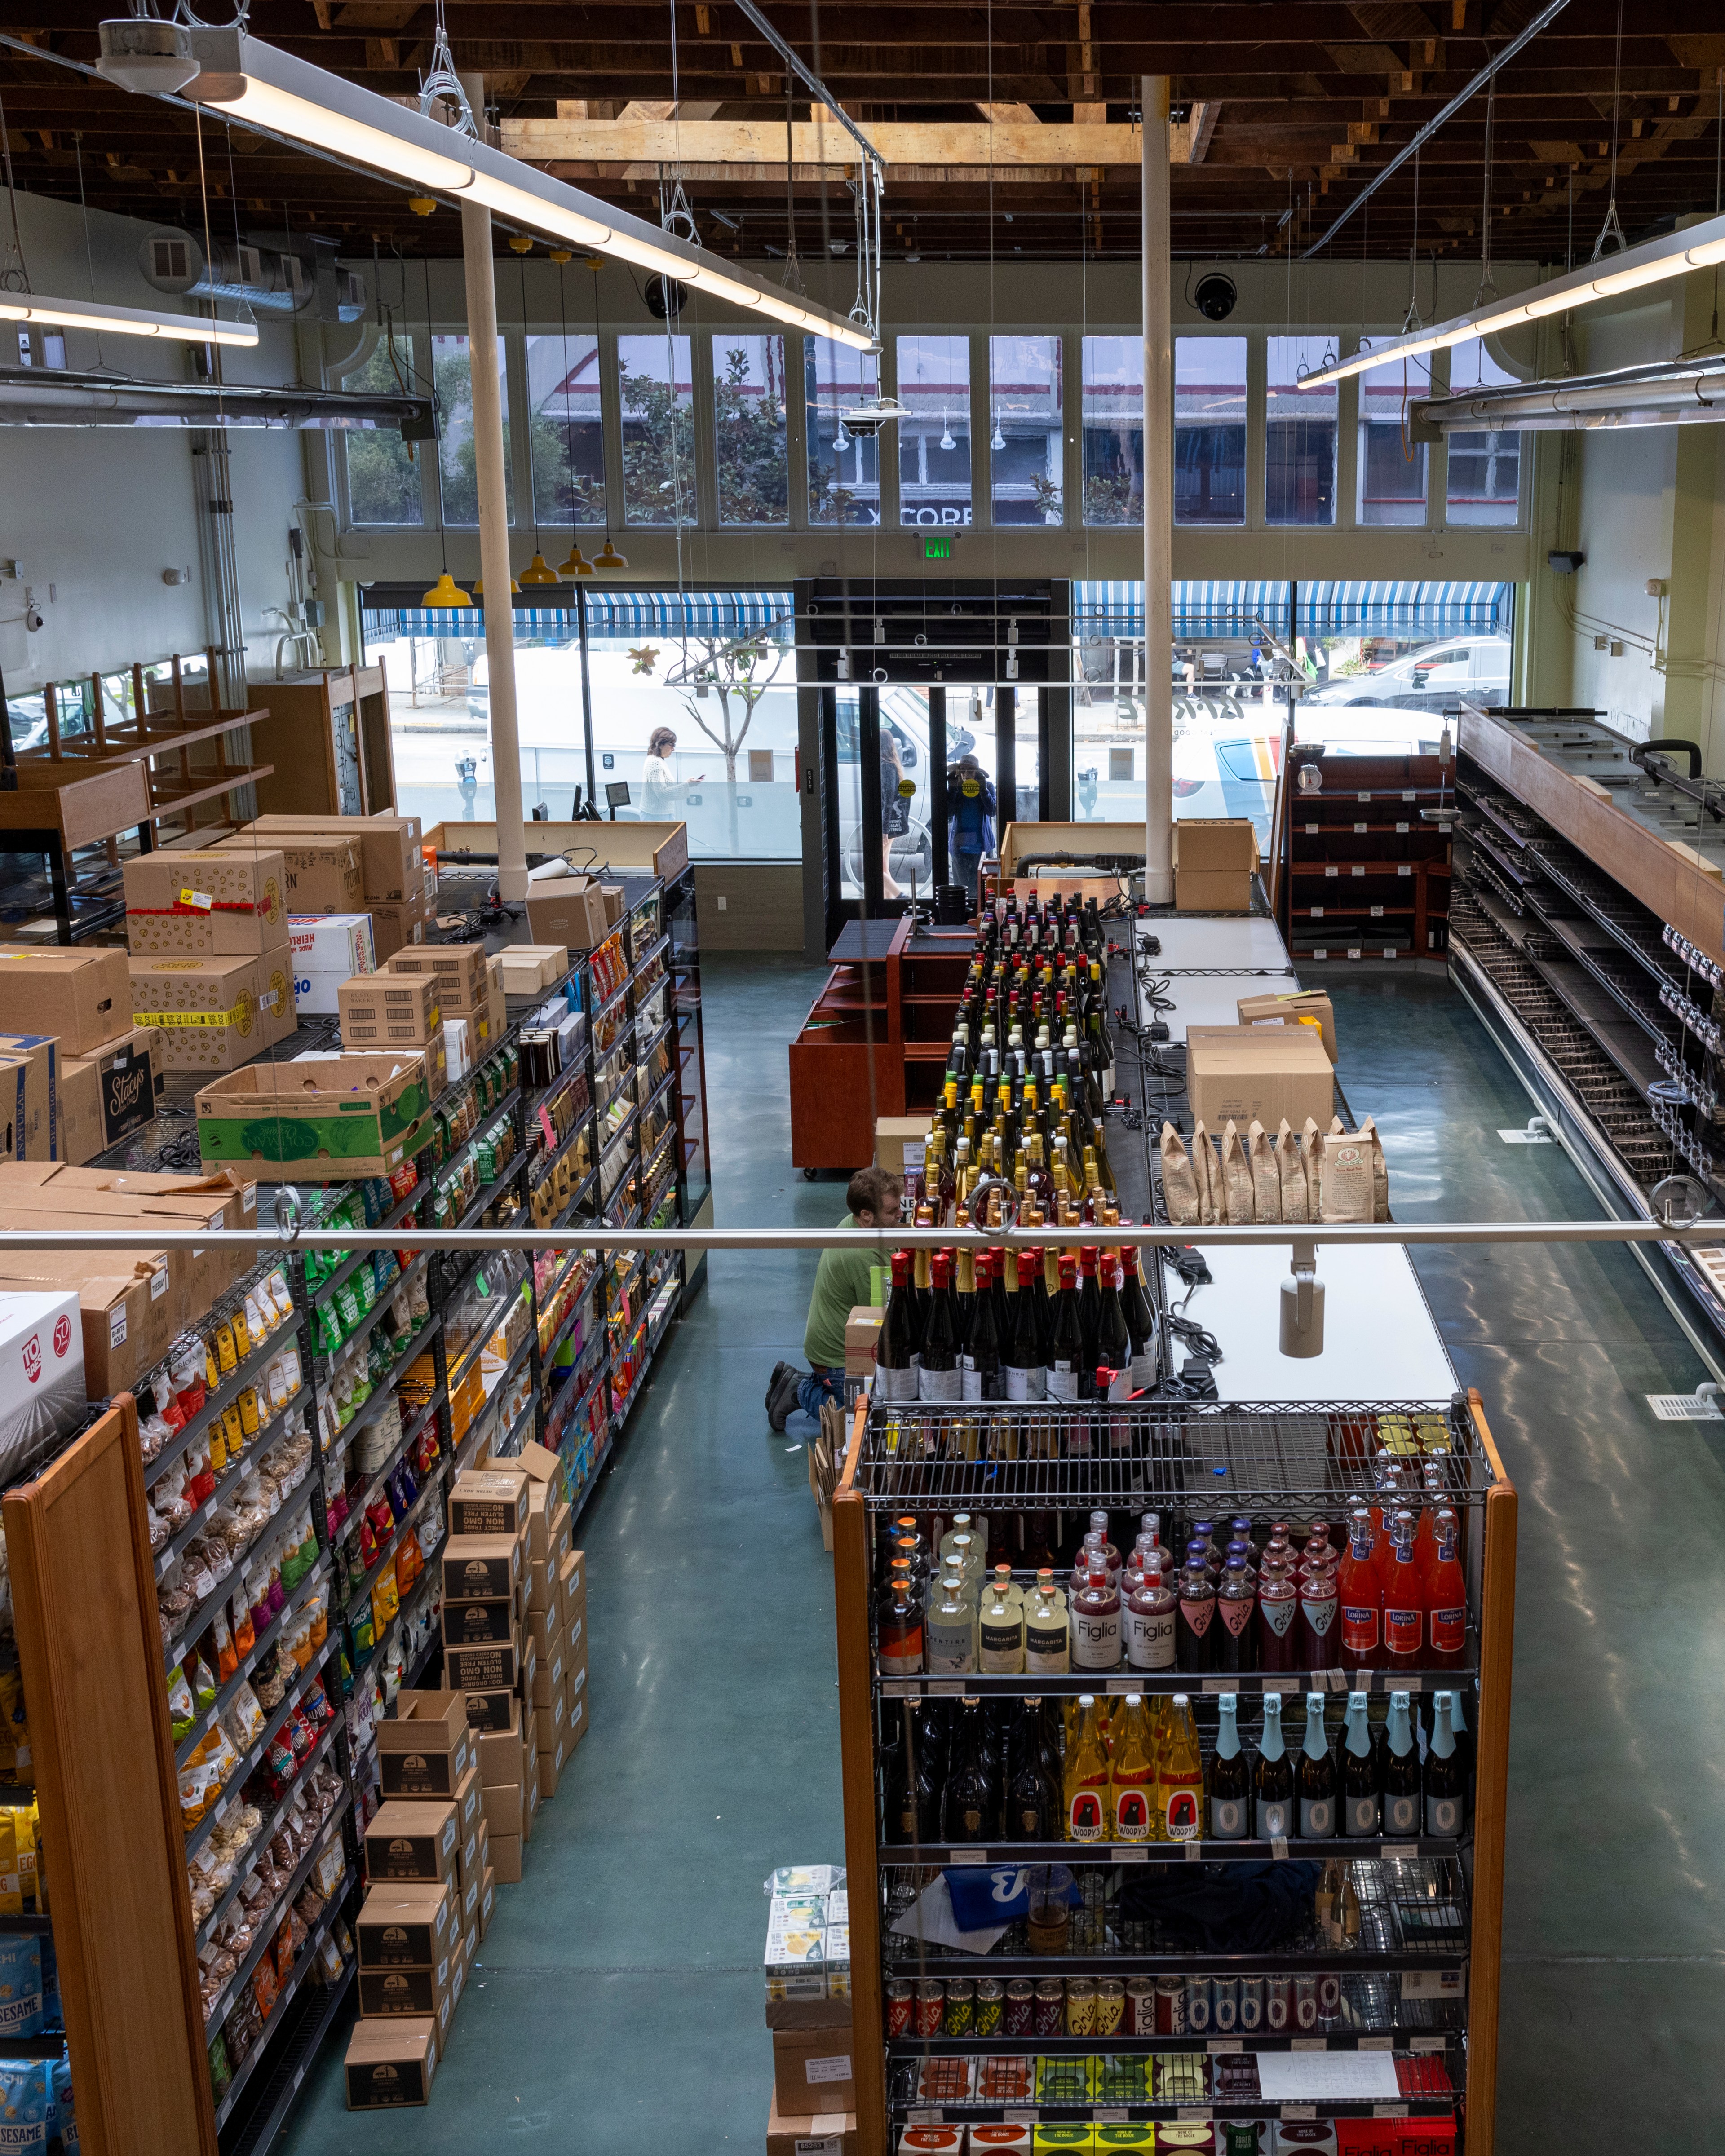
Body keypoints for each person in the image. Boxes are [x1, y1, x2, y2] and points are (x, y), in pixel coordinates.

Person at [766, 1165, 903, 1430]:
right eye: (892, 1211)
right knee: (868, 1418)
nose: (901, 1214)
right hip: (838, 1359)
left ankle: (809, 1381)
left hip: (830, 1341)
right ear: (866, 1215)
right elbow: (883, 1322)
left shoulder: (859, 1225)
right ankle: (799, 1391)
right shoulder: (864, 1257)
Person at [946, 754, 996, 908]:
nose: (966, 775)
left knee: (983, 891)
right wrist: (953, 789)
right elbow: (948, 812)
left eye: (970, 771)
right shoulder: (957, 788)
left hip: (981, 846)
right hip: (961, 847)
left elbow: (992, 811)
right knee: (962, 892)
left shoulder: (987, 787)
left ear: (977, 773)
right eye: (962, 771)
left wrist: (982, 789)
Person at [642, 726, 699, 818]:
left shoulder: (659, 760)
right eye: (671, 745)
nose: (673, 749)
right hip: (655, 815)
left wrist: (688, 784)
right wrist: (687, 785)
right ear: (660, 744)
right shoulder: (655, 762)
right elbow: (662, 793)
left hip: (661, 813)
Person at [880, 729, 909, 898]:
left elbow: (887, 800)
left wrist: (884, 830)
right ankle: (888, 906)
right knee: (884, 868)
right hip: (892, 824)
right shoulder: (893, 764)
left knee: (874, 869)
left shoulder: (885, 766)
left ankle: (901, 897)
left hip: (887, 826)